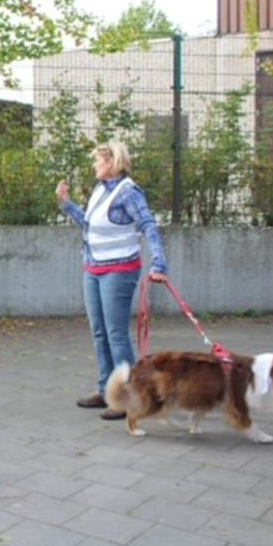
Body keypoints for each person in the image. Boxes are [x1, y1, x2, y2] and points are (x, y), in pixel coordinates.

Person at [56, 140, 169, 421]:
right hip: (93, 269)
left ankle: (129, 397)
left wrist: (159, 264)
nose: (94, 164)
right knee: (99, 332)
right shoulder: (100, 190)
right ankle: (106, 390)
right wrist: (67, 205)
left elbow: (149, 227)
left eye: (98, 160)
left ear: (111, 162)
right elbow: (89, 224)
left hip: (119, 271)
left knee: (116, 334)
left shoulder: (128, 192)